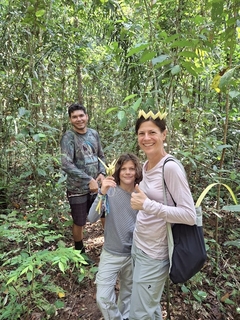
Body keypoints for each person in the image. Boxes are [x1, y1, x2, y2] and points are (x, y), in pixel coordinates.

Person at [129, 110, 196, 320]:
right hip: (139, 245)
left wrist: (148, 205)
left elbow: (189, 215)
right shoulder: (147, 165)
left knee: (140, 314)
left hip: (155, 254)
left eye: (152, 132)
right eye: (141, 133)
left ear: (164, 134)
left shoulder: (171, 168)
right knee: (149, 308)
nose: (146, 138)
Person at [88, 153, 142, 320]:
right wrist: (101, 193)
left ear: (137, 171)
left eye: (131, 169)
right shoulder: (110, 192)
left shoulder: (141, 193)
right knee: (103, 297)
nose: (127, 172)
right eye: (124, 168)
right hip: (111, 253)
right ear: (118, 171)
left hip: (134, 254)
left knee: (128, 294)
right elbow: (91, 218)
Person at [60, 103, 106, 263]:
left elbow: (101, 156)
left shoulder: (94, 134)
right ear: (70, 119)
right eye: (75, 117)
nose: (79, 119)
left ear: (86, 116)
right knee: (80, 221)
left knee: (104, 214)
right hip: (77, 188)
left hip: (96, 187)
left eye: (81, 116)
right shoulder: (69, 137)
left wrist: (102, 173)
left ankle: (111, 246)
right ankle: (79, 252)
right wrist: (89, 179)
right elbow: (66, 164)